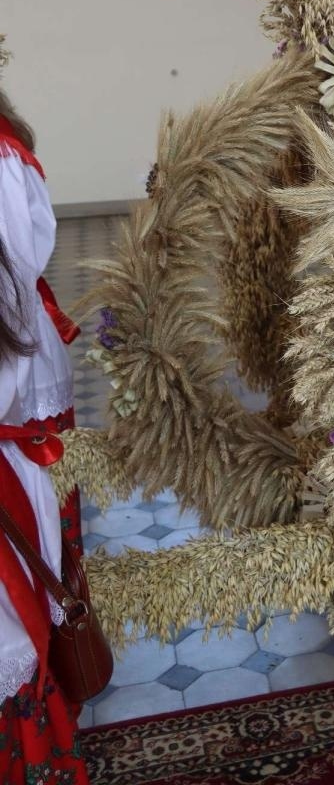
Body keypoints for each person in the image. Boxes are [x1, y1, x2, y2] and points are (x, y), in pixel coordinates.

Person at [0, 95, 89, 781]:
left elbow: (17, 268)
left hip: (13, 405)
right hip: (17, 391)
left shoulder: (2, 155)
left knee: (36, 572)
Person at [0, 88, 82, 555]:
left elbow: (10, 274)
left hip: (16, 358)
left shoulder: (2, 155)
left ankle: (63, 625)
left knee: (40, 530)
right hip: (18, 347)